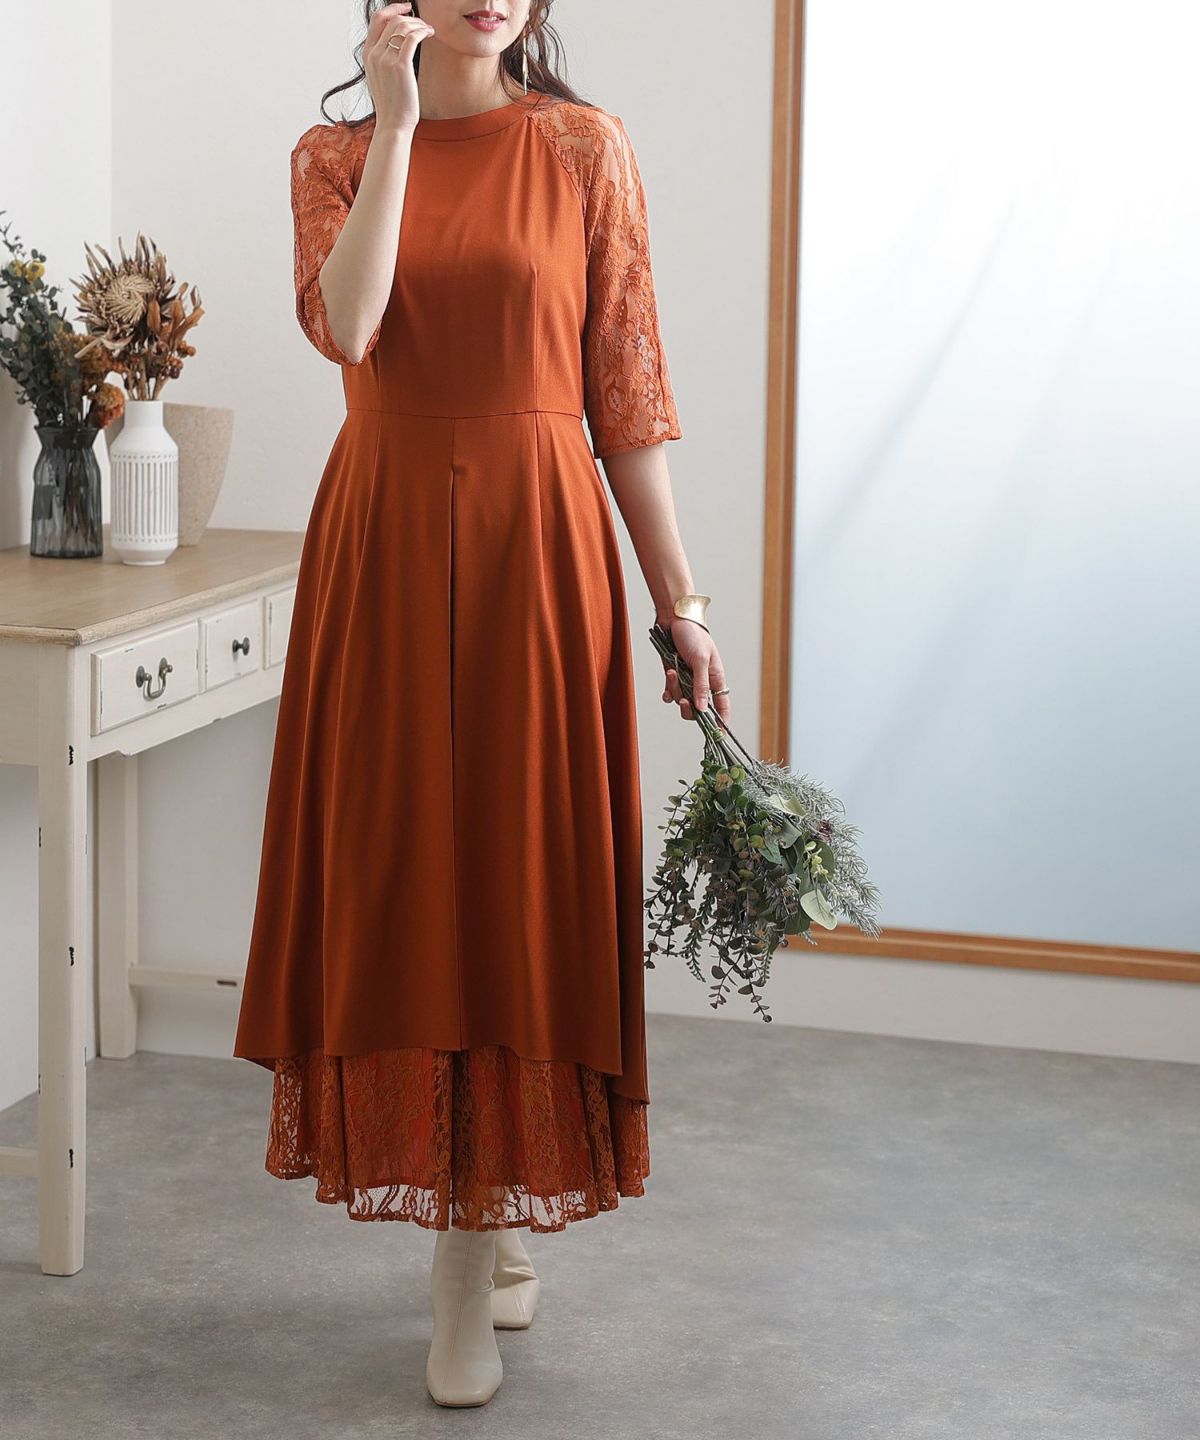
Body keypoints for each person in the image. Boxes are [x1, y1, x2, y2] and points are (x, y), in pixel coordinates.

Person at [233, 0, 732, 1407]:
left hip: (539, 543)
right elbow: (352, 325)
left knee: (515, 875)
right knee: (410, 882)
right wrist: (396, 124)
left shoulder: (585, 148)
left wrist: (680, 602)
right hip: (386, 538)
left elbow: (625, 392)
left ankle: (480, 1233)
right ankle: (468, 1253)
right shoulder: (334, 155)